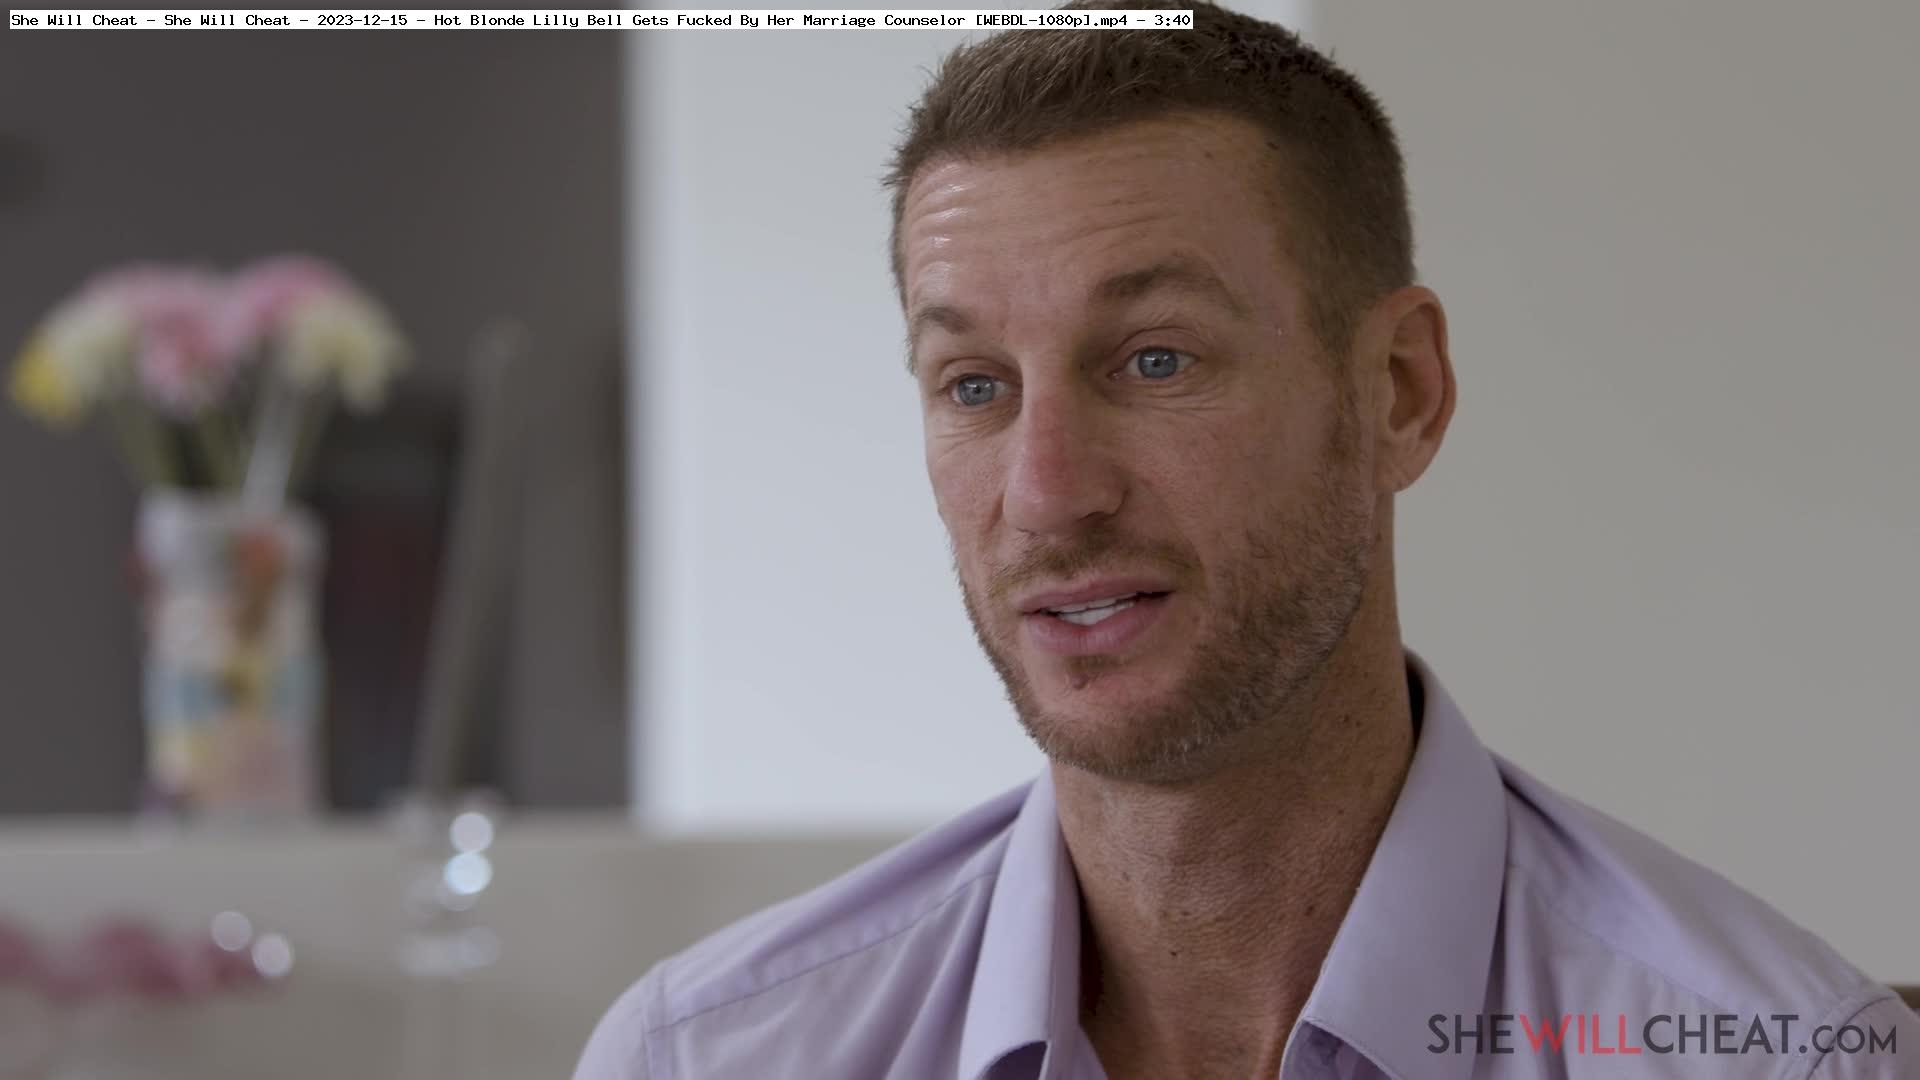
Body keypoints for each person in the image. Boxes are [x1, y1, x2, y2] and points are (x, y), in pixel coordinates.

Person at [575, 2, 1919, 1077]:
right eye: (975, 385)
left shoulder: (1778, 1056)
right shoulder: (708, 1056)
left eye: (1155, 359)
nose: (1046, 493)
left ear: (1397, 392)